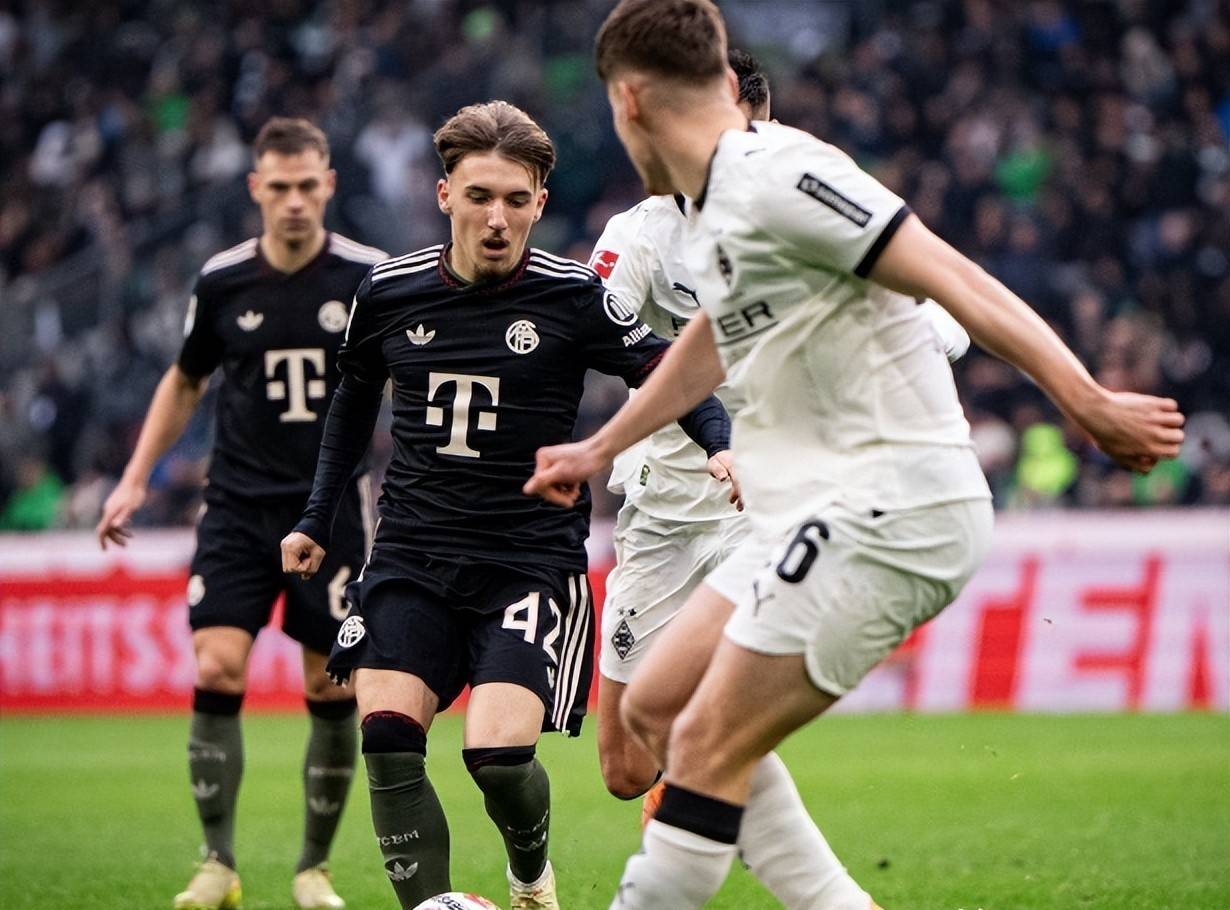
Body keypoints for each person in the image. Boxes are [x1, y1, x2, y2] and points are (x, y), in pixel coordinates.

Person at [524, 2, 1186, 907]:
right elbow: (715, 340)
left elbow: (953, 275)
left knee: (706, 749)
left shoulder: (781, 173)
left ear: (627, 102)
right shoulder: (708, 210)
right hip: (813, 507)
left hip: (892, 502)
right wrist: (599, 447)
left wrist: (1087, 399)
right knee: (654, 710)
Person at [278, 100, 734, 910]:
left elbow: (671, 373)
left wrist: (719, 444)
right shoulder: (388, 291)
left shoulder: (573, 296)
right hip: (412, 553)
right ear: (444, 194)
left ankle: (530, 878)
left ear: (540, 204)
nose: (497, 218)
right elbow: (351, 401)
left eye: (516, 200)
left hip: (527, 563)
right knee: (387, 737)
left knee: (496, 758)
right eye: (480, 196)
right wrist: (317, 516)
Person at [97, 117, 385, 910]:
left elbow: (410, 373)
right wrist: (133, 478)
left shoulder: (368, 276)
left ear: (328, 185)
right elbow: (185, 379)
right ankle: (217, 864)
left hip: (331, 512)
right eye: (279, 187)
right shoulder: (222, 280)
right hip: (236, 506)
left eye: (307, 186)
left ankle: (312, 869)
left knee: (331, 686)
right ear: (256, 188)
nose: (294, 201)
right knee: (216, 665)